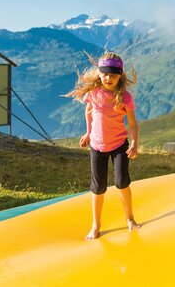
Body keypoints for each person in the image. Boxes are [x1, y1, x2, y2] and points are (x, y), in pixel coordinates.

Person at [66, 53, 141, 240]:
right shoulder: (93, 93)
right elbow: (88, 111)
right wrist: (88, 133)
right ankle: (96, 225)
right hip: (97, 146)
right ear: (99, 74)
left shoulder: (125, 97)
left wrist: (134, 143)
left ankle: (130, 219)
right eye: (105, 74)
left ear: (120, 76)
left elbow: (133, 124)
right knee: (98, 188)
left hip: (119, 145)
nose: (108, 78)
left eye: (113, 75)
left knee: (122, 182)